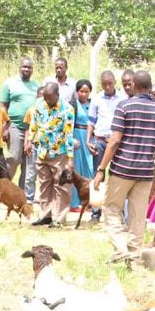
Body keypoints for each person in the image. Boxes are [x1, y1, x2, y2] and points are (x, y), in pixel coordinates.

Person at [91, 70, 155, 262]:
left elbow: (115, 141)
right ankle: (133, 255)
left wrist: (101, 168)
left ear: (133, 85)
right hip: (145, 172)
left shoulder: (124, 106)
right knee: (138, 215)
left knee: (112, 209)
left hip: (121, 170)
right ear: (150, 89)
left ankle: (120, 249)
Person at [25, 82, 74, 227]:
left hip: (59, 153)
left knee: (61, 186)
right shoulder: (40, 103)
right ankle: (45, 215)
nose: (47, 101)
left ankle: (59, 219)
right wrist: (29, 140)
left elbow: (68, 134)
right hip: (42, 151)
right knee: (44, 184)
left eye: (50, 99)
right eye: (45, 98)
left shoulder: (67, 109)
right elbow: (34, 123)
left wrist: (70, 158)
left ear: (57, 95)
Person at [88, 70, 127, 222]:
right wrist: (88, 140)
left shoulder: (122, 99)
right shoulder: (96, 98)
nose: (107, 86)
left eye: (109, 83)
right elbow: (91, 121)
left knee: (118, 177)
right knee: (98, 175)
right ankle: (95, 213)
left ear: (115, 82)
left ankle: (118, 213)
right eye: (104, 84)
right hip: (100, 140)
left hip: (117, 142)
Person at [2, 58, 40, 202]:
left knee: (28, 163)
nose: (26, 69)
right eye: (24, 67)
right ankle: (5, 189)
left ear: (32, 69)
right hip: (15, 126)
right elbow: (3, 106)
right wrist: (5, 127)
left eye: (29, 67)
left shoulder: (36, 85)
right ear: (19, 67)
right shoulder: (10, 83)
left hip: (31, 129)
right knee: (14, 158)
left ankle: (23, 194)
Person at [70, 79, 96, 213]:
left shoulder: (92, 104)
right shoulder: (72, 105)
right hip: (76, 137)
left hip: (89, 138)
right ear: (77, 91)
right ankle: (74, 203)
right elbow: (67, 123)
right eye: (81, 91)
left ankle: (90, 201)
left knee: (90, 169)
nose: (84, 94)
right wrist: (71, 139)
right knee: (77, 170)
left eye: (86, 91)